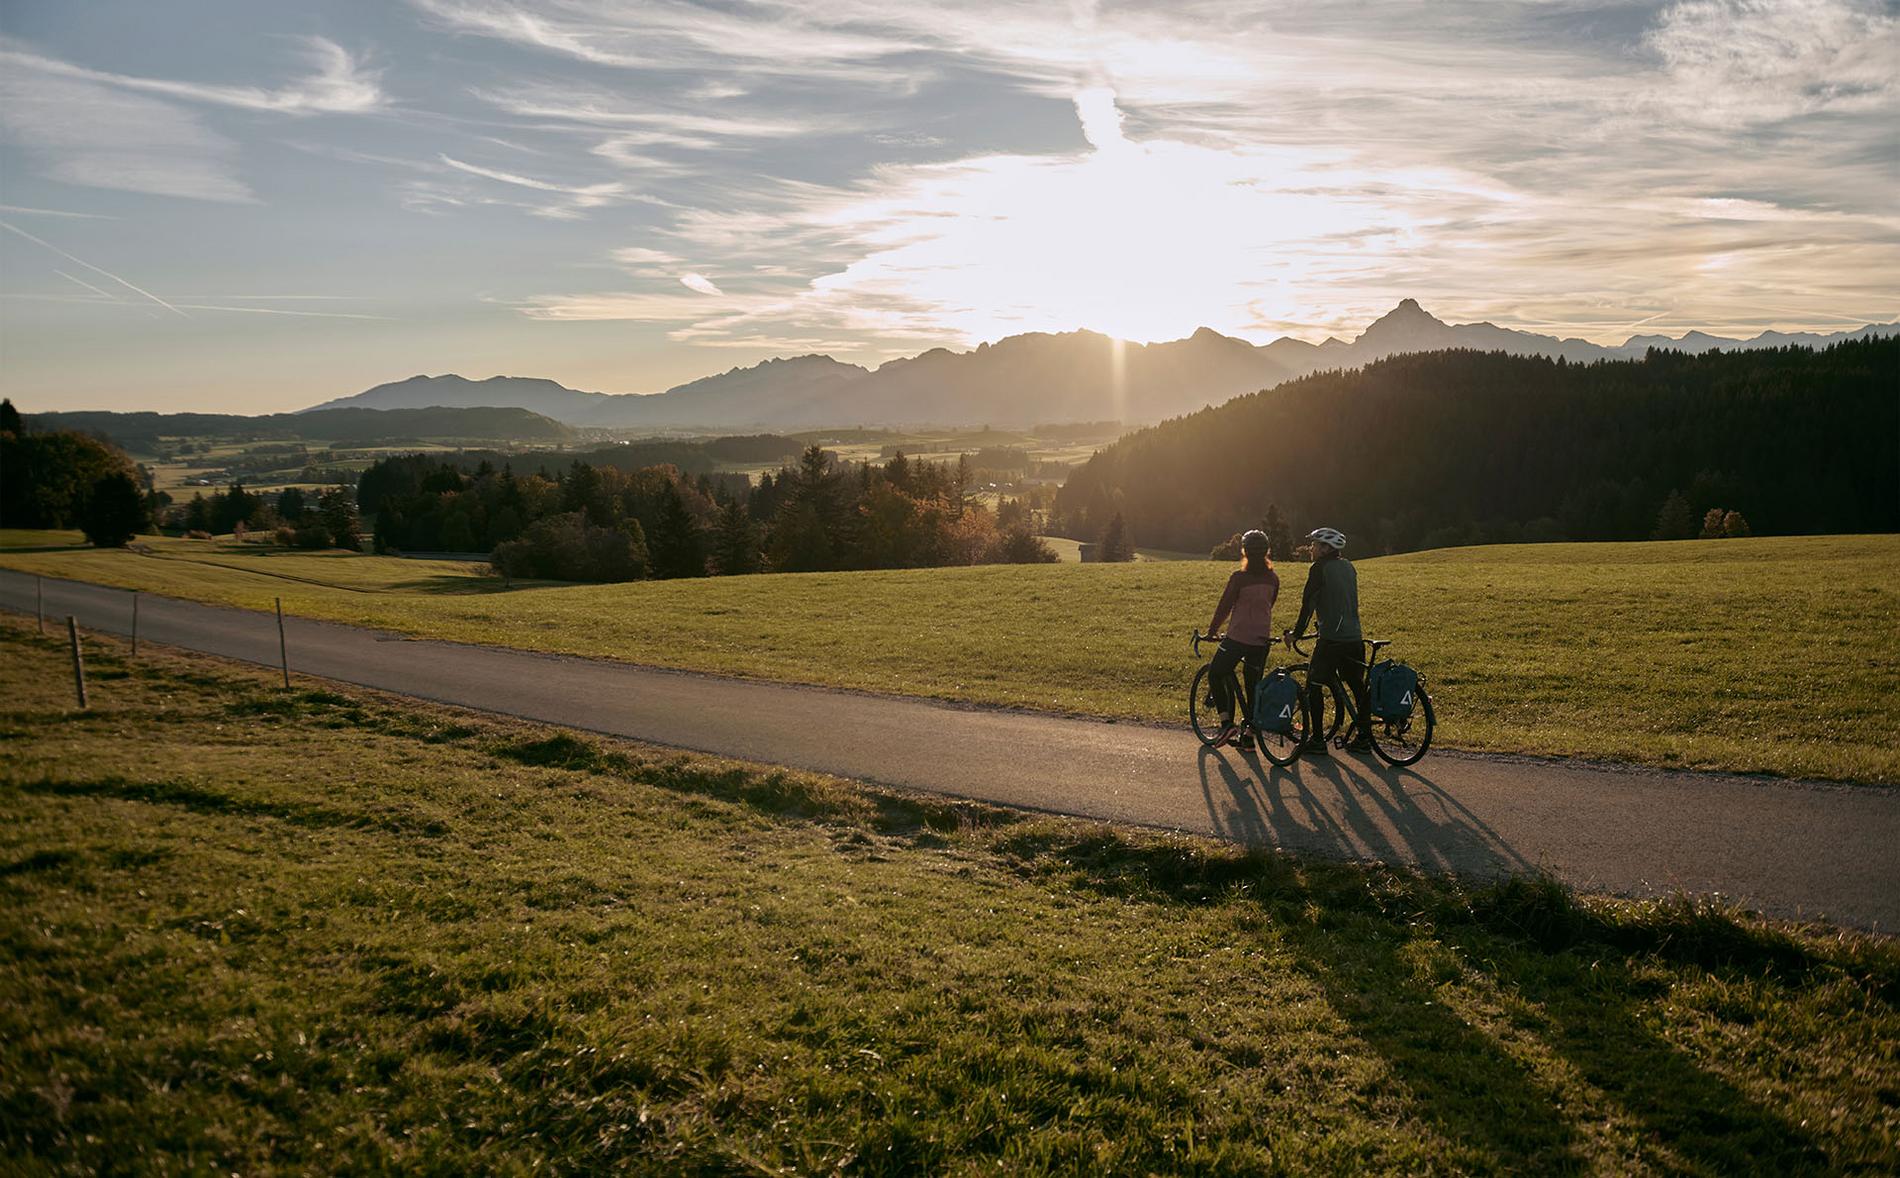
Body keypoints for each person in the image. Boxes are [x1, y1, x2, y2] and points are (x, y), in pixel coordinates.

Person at [1287, 526, 1370, 755]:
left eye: (1314, 544)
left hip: (1332, 639)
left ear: (1325, 548)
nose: (1311, 548)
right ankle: (1364, 738)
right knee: (1357, 685)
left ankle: (1317, 741)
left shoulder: (1319, 569)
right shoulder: (1349, 566)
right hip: (1354, 636)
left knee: (1314, 685)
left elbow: (1308, 604)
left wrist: (1296, 633)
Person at [1204, 529, 1280, 748]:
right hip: (1262, 640)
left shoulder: (1239, 578)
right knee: (1253, 685)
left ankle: (1226, 724)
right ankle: (1248, 737)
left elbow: (1224, 607)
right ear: (1266, 552)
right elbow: (1270, 604)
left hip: (1238, 638)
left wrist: (1212, 631)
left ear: (1244, 552)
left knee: (1216, 673)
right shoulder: (1273, 579)